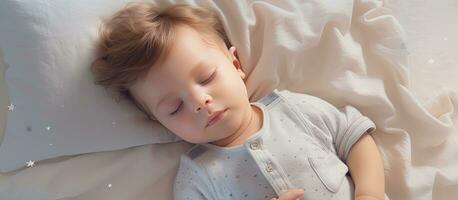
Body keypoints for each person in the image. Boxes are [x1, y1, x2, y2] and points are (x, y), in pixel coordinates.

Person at [91, 2, 386, 200]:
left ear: (235, 64)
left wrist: (369, 193)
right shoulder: (197, 177)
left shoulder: (293, 110)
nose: (199, 101)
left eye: (206, 77)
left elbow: (355, 137)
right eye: (174, 108)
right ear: (159, 122)